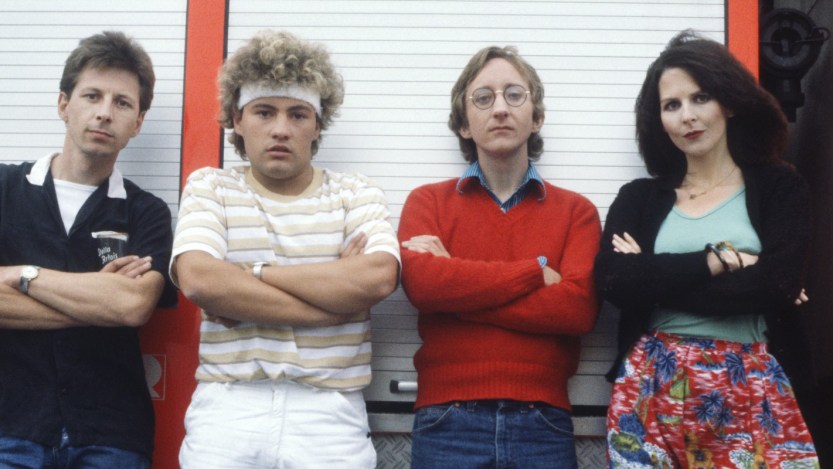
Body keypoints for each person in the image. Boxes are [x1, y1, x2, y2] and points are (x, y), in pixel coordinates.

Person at [171, 30, 400, 468]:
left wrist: (251, 274)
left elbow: (377, 277)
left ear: (317, 124)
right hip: (228, 408)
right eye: (264, 111)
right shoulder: (211, 187)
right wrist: (334, 301)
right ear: (237, 120)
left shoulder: (355, 192)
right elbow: (200, 279)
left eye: (298, 114)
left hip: (330, 413)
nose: (280, 129)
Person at [595, 30, 819, 467]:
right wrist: (719, 260)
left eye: (700, 98)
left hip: (750, 386)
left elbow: (776, 285)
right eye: (671, 105)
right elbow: (615, 281)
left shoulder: (779, 186)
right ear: (657, 118)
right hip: (650, 386)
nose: (687, 117)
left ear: (730, 102)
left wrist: (654, 276)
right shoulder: (639, 198)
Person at [398, 45, 601, 468]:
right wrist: (536, 271)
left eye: (514, 95)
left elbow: (577, 310)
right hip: (446, 418)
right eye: (483, 98)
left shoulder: (576, 211)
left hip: (543, 421)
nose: (501, 109)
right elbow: (424, 286)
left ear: (537, 117)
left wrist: (458, 291)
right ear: (463, 125)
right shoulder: (427, 202)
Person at [0, 31, 177, 468]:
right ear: (64, 104)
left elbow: (133, 307)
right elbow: (115, 307)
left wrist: (24, 275)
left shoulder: (147, 213)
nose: (104, 113)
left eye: (122, 103)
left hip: (111, 435)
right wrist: (99, 301)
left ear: (137, 122)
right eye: (92, 96)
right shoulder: (3, 190)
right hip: (9, 427)